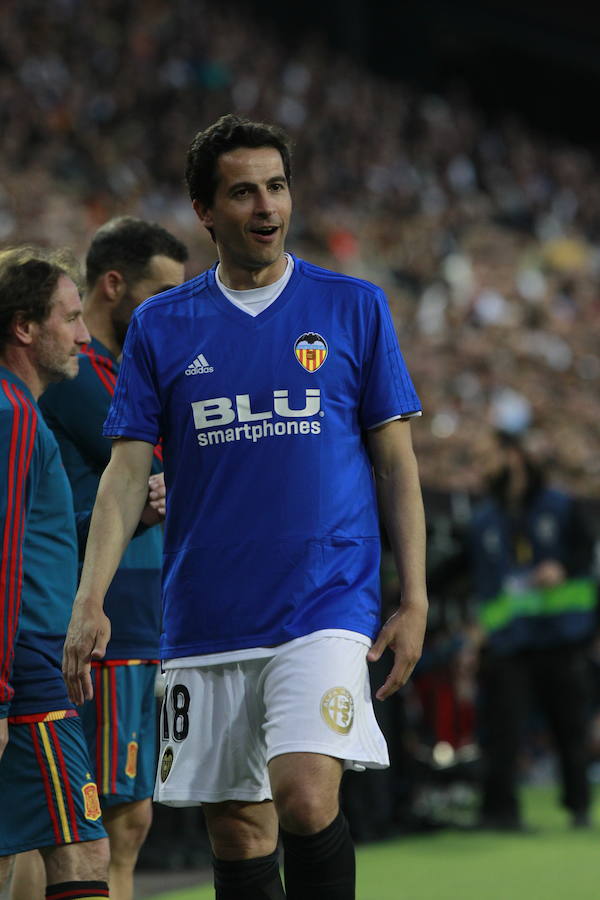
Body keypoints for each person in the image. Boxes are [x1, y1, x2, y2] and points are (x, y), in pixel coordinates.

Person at [62, 114, 429, 900]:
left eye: (277, 187)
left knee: (302, 793)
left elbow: (396, 464)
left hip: (327, 599)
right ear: (205, 211)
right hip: (207, 610)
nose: (266, 207)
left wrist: (416, 597)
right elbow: (126, 475)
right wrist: (89, 599)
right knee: (238, 827)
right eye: (243, 192)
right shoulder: (163, 325)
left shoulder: (353, 307)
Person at [10, 218, 188, 900]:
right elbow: (165, 455)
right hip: (85, 620)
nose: (174, 306)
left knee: (114, 817)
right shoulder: (72, 386)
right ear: (114, 285)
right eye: (161, 291)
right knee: (84, 822)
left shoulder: (105, 374)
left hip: (127, 610)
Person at [0, 247, 111, 900]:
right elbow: (5, 551)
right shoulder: (14, 414)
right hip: (27, 663)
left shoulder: (18, 409)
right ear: (24, 327)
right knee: (83, 846)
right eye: (69, 317)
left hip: (27, 657)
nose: (83, 334)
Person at [468, 429, 597, 831]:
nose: (480, 469)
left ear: (514, 457)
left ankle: (578, 806)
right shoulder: (484, 518)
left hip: (561, 636)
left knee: (568, 726)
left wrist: (563, 568)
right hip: (508, 640)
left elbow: (585, 552)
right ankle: (500, 811)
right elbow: (473, 577)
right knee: (503, 729)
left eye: (487, 458)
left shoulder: (560, 506)